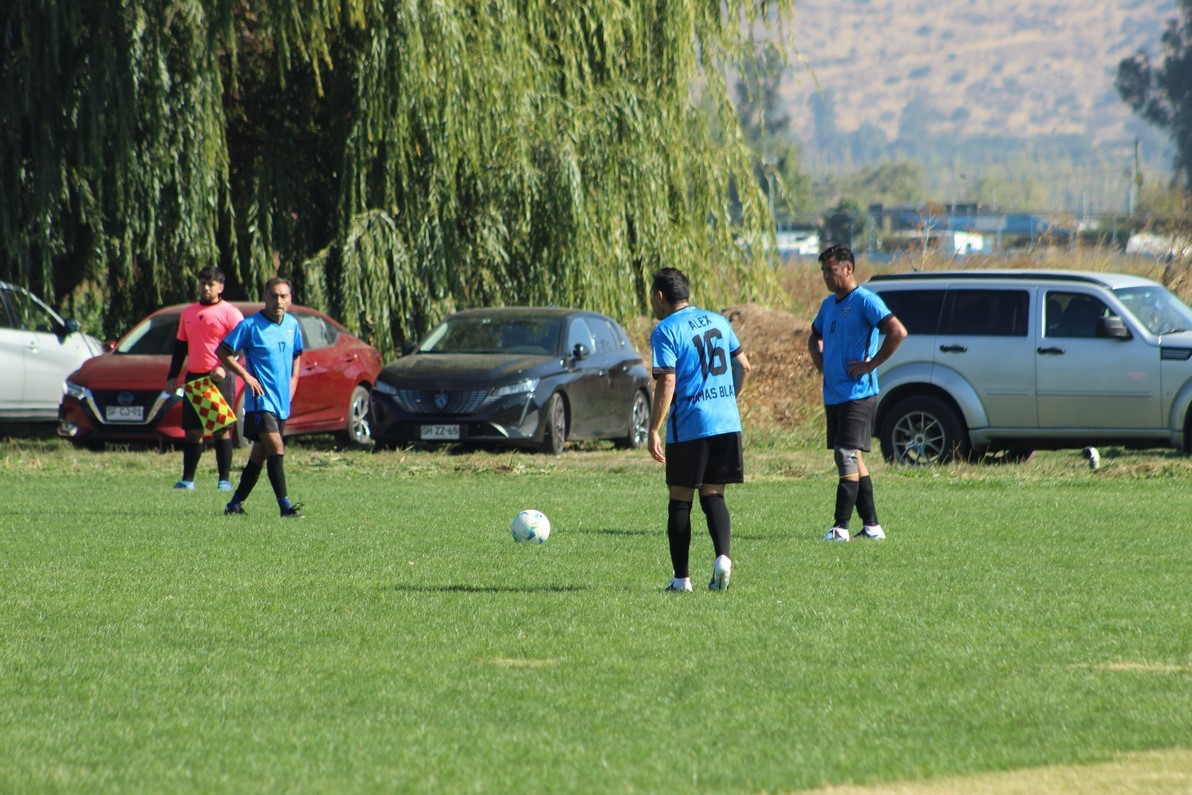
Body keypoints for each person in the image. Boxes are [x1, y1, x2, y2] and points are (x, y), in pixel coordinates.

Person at [647, 268, 751, 592]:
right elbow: (744, 366)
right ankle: (723, 558)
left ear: (660, 296)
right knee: (713, 493)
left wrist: (653, 428)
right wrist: (728, 399)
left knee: (680, 498)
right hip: (727, 421)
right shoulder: (719, 321)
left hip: (691, 423)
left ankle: (681, 580)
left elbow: (667, 380)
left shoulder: (666, 329)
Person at [807, 245, 907, 542]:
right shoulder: (828, 305)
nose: (826, 276)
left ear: (848, 269)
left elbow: (898, 332)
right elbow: (814, 336)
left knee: (845, 454)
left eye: (831, 270)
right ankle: (872, 527)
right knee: (855, 458)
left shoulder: (865, 301)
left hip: (859, 394)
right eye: (823, 271)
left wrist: (869, 365)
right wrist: (820, 361)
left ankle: (840, 527)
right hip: (834, 394)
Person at [217, 278, 305, 519]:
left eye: (283, 296)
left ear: (290, 299)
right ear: (265, 297)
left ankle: (234, 504)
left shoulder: (292, 325)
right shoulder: (250, 326)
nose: (278, 301)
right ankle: (285, 507)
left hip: (281, 402)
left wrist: (294, 378)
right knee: (276, 448)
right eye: (274, 296)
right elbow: (223, 351)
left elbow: (297, 353)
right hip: (260, 402)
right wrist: (246, 376)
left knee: (259, 455)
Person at [166, 265, 245, 491]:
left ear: (220, 287)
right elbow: (180, 347)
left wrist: (224, 368)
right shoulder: (188, 312)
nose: (206, 288)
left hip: (218, 377)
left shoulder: (230, 313)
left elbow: (241, 345)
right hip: (195, 377)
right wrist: (172, 376)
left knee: (220, 429)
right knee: (193, 431)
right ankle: (187, 480)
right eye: (203, 283)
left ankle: (224, 480)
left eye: (211, 284)